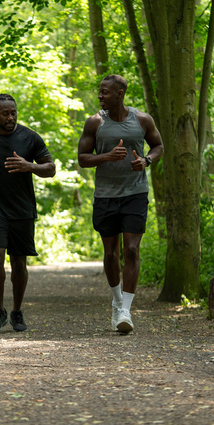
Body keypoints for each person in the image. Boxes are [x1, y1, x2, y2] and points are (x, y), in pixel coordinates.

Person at [78, 74, 163, 333]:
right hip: (105, 195)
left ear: (120, 94)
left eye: (105, 92)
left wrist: (146, 161)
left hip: (135, 193)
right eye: (99, 92)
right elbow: (82, 158)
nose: (100, 96)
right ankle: (116, 302)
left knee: (132, 250)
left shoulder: (142, 120)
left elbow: (158, 146)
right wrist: (106, 156)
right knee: (110, 253)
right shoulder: (94, 122)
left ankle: (126, 309)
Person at [0, 94, 56, 332]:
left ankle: (16, 311)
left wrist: (30, 166)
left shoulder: (30, 137)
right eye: (5, 113)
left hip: (22, 208)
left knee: (18, 261)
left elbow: (51, 169)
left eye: (13, 112)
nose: (10, 117)